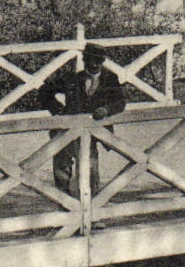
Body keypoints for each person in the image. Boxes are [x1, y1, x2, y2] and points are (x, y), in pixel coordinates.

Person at [41, 42, 126, 193]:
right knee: (61, 165)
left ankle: (92, 201)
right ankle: (63, 200)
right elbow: (44, 91)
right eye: (89, 59)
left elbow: (120, 101)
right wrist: (59, 110)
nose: (93, 64)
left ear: (102, 61)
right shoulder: (72, 78)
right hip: (68, 129)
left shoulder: (110, 79)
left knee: (90, 169)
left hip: (94, 131)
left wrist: (106, 109)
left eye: (98, 60)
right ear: (84, 59)